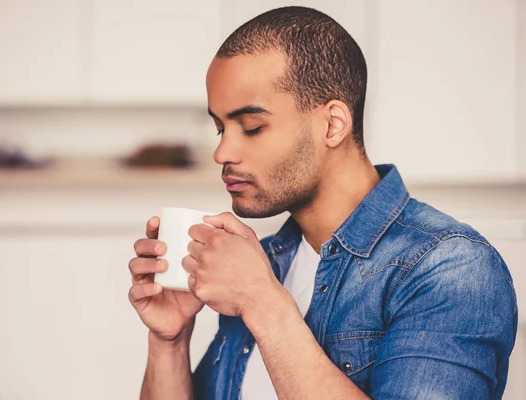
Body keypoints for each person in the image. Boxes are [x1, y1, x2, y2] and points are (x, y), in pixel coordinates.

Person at [128, 6, 517, 399]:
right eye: (219, 128)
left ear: (333, 125)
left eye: (251, 127)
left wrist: (261, 301)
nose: (222, 151)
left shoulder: (449, 268)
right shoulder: (263, 263)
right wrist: (170, 339)